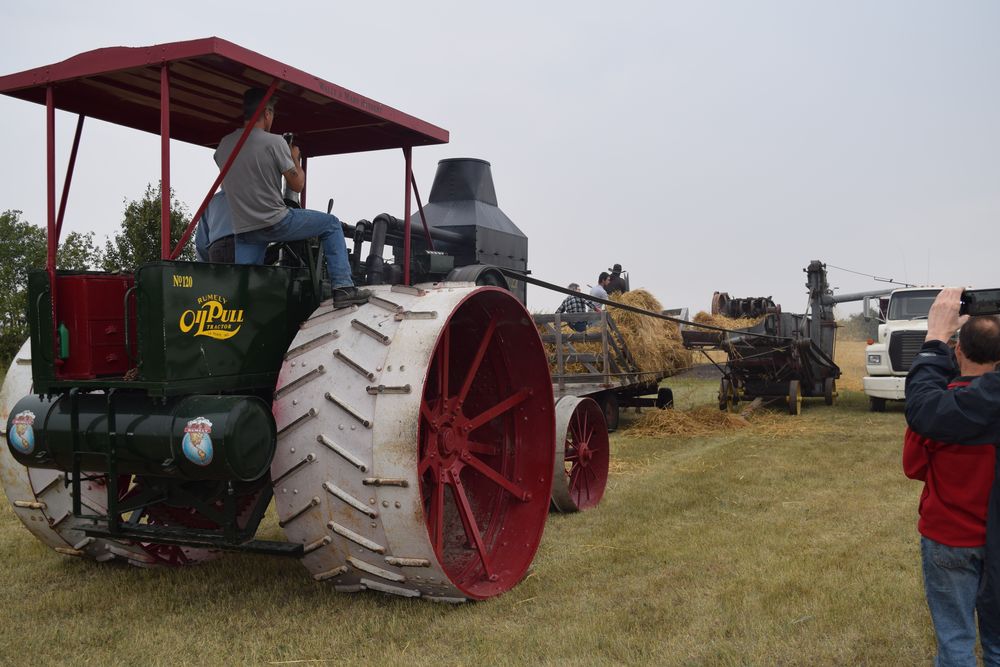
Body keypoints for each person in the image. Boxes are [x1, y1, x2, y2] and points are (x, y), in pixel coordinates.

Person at [906, 287, 1000, 664]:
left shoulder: (940, 407)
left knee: (955, 639)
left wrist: (935, 338)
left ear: (957, 350)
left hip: (948, 538)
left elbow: (913, 467)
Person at [214, 88, 370, 307]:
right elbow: (297, 184)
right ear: (267, 114)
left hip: (244, 229)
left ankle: (243, 315)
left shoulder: (224, 145)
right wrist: (293, 157)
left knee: (244, 288)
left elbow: (228, 182)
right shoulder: (275, 143)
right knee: (331, 225)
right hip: (275, 221)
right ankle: (343, 287)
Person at [194, 190, 235, 263]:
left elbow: (201, 243)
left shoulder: (211, 200)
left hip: (217, 247)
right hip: (244, 242)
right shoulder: (249, 194)